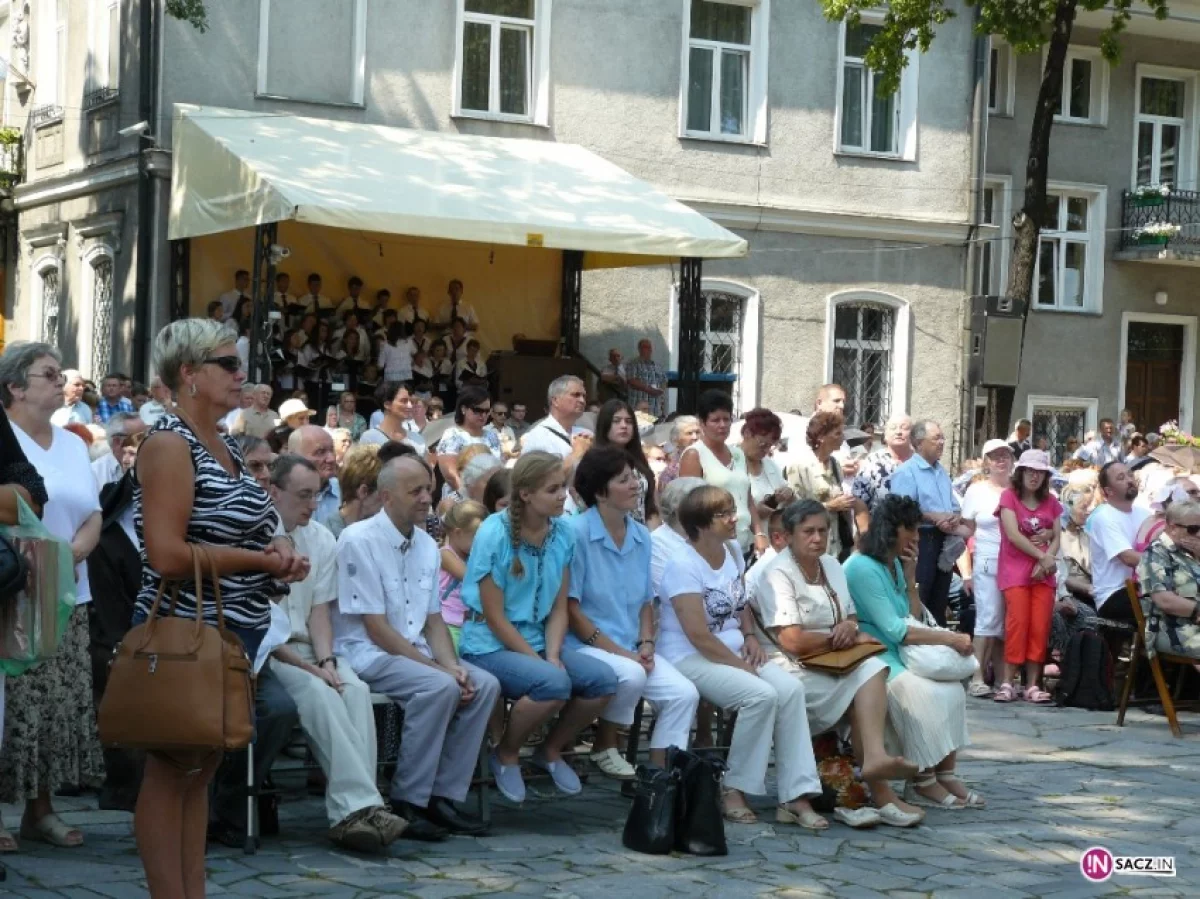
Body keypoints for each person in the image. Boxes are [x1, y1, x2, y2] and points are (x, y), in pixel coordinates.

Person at [128, 319, 308, 896]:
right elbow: (167, 554)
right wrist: (261, 563)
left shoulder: (225, 446)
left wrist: (278, 546)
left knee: (199, 771)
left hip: (234, 633)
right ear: (188, 374)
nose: (241, 374)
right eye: (227, 364)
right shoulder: (167, 444)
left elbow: (250, 526)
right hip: (187, 631)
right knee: (171, 771)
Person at [334, 456, 497, 837]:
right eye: (416, 491)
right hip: (366, 653)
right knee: (438, 686)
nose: (427, 498)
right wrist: (440, 672)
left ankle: (443, 795)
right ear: (387, 496)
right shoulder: (358, 540)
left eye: (429, 488)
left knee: (483, 684)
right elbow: (375, 628)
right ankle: (408, 798)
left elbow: (433, 620)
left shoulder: (426, 544)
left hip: (414, 650)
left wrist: (451, 664)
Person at [265, 455, 408, 851]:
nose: (313, 505)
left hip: (312, 646)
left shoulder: (322, 539)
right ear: (274, 492)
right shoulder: (257, 536)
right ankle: (360, 809)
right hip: (273, 653)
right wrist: (314, 672)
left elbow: (319, 612)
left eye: (317, 495)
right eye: (303, 495)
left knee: (354, 689)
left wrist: (327, 661)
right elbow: (264, 631)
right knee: (319, 694)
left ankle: (354, 812)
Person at [658, 485, 823, 827]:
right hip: (689, 656)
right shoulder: (682, 564)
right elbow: (698, 635)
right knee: (760, 696)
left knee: (791, 691)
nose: (736, 519)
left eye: (733, 510)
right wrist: (742, 667)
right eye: (725, 514)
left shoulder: (731, 549)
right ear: (702, 524)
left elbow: (741, 602)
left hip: (731, 647)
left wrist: (749, 635)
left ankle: (796, 794)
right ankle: (733, 788)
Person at [750, 499, 922, 827]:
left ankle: (873, 760)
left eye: (823, 531)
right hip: (787, 664)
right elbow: (792, 641)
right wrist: (839, 635)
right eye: (808, 532)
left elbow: (850, 615)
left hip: (830, 660)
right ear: (787, 536)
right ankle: (879, 791)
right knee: (857, 690)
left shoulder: (830, 564)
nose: (817, 538)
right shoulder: (776, 573)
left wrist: (849, 627)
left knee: (873, 668)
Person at [459, 452, 618, 803]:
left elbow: (559, 607)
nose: (563, 495)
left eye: (563, 486)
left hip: (538, 636)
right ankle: (506, 753)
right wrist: (540, 660)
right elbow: (495, 617)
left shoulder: (562, 532)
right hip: (488, 642)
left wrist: (554, 652)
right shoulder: (493, 532)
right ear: (526, 495)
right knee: (553, 682)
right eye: (553, 489)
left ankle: (550, 750)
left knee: (604, 680)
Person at [0, 343, 98, 855]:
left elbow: (93, 510)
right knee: (11, 706)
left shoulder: (73, 444)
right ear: (16, 386)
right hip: (14, 594)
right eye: (49, 375)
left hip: (69, 593)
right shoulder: (4, 437)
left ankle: (41, 810)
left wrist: (76, 552)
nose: (61, 383)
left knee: (55, 706)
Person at [844, 496, 983, 810]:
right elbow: (895, 629)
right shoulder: (862, 567)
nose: (917, 538)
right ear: (892, 530)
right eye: (912, 530)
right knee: (926, 693)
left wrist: (909, 580)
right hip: (874, 656)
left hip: (898, 651)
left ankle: (944, 773)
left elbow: (915, 616)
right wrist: (948, 640)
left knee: (953, 689)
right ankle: (922, 782)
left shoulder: (892, 563)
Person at [568, 447, 699, 774]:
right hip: (582, 645)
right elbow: (571, 610)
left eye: (634, 478)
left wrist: (646, 644)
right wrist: (623, 653)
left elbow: (645, 601)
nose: (635, 485)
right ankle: (604, 745)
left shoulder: (641, 535)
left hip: (630, 647)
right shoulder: (576, 533)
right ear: (600, 491)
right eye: (624, 480)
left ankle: (659, 777)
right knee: (631, 673)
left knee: (683, 693)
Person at [993, 450, 1062, 704]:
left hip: (1043, 575)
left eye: (1040, 472)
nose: (1034, 476)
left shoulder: (1052, 501)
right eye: (1030, 471)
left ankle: (1032, 685)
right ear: (1020, 472)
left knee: (1039, 628)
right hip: (1016, 572)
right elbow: (1012, 534)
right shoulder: (1008, 497)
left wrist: (1047, 561)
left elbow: (1057, 536)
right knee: (1017, 625)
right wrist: (1041, 556)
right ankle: (1007, 683)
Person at [889, 419, 969, 626]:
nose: (942, 442)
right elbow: (900, 510)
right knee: (919, 596)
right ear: (918, 442)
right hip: (921, 541)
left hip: (942, 540)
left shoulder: (940, 472)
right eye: (936, 438)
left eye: (942, 438)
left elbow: (953, 505)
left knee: (938, 600)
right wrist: (933, 517)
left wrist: (953, 517)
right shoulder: (906, 471)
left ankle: (936, 646)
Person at [678, 390, 765, 558]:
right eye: (715, 420)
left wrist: (759, 533)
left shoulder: (738, 454)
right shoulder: (694, 455)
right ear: (702, 423)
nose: (722, 425)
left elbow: (747, 499)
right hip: (713, 547)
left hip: (744, 543)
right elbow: (688, 505)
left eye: (726, 419)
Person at [957, 439, 1013, 698]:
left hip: (1016, 562)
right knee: (987, 618)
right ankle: (977, 677)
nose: (1001, 460)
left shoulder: (1018, 489)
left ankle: (1003, 680)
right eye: (994, 456)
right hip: (988, 560)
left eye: (1005, 455)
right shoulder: (976, 490)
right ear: (986, 462)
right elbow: (967, 528)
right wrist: (949, 528)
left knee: (1006, 622)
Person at [1088, 461, 1152, 623]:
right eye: (1121, 478)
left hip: (1146, 587)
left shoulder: (1145, 514)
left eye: (1130, 474)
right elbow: (1128, 558)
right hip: (1114, 595)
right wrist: (1166, 563)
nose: (1129, 480)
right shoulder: (1102, 516)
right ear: (1108, 491)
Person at [1137, 500, 1200, 660]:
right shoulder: (1156, 553)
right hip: (1172, 628)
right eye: (1193, 529)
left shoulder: (1192, 551)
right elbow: (1165, 601)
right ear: (1172, 528)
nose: (1199, 534)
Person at [789, 411, 854, 561]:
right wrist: (829, 506)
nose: (842, 438)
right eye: (837, 434)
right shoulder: (799, 466)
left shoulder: (835, 464)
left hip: (835, 542)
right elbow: (794, 509)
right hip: (811, 543)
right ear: (822, 437)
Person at [1052, 475, 1101, 656]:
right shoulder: (1059, 535)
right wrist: (1087, 587)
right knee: (1088, 615)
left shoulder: (1087, 534)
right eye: (1084, 507)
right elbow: (1061, 575)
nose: (1089, 511)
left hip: (1092, 591)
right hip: (1070, 592)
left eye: (1091, 506)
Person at [593, 399, 659, 527]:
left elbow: (651, 507)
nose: (624, 426)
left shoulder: (639, 461)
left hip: (643, 536)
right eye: (616, 421)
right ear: (605, 424)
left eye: (629, 421)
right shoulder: (594, 462)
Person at [438, 501, 488, 651]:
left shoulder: (471, 555)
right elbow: (471, 579)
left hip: (469, 623)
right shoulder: (445, 555)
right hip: (449, 622)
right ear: (458, 533)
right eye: (478, 538)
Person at [436, 386, 501, 496]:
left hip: (490, 496)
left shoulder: (492, 436)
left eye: (487, 411)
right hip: (460, 496)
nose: (483, 415)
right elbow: (450, 474)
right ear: (463, 409)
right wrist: (468, 496)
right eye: (477, 410)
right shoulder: (452, 435)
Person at [520, 376, 591, 475]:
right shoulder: (537, 437)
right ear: (555, 400)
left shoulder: (586, 434)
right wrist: (576, 454)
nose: (582, 401)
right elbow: (538, 481)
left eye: (584, 396)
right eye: (576, 395)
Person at [740, 408, 793, 524]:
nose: (766, 450)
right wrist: (753, 514)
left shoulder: (769, 464)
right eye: (763, 444)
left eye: (771, 445)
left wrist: (787, 493)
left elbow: (786, 490)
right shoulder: (729, 462)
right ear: (747, 433)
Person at [321, 443, 382, 538]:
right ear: (363, 492)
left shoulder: (384, 532)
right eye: (385, 493)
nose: (390, 500)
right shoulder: (327, 537)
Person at [288, 425, 340, 524]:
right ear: (293, 456)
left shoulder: (345, 491)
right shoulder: (280, 497)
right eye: (320, 452)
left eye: (332, 450)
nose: (331, 459)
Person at [360, 382, 427, 456]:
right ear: (387, 404)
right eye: (404, 401)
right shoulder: (370, 438)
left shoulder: (418, 439)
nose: (410, 406)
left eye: (410, 401)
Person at [92, 412, 147, 491]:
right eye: (139, 437)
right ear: (117, 442)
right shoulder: (95, 473)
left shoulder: (152, 466)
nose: (147, 441)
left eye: (147, 435)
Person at [656, 415, 701, 495]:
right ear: (676, 438)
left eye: (697, 432)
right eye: (689, 433)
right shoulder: (671, 469)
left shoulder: (708, 456)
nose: (695, 437)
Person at [625, 338, 667, 419]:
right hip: (638, 410)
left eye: (649, 347)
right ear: (639, 349)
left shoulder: (657, 365)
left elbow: (664, 381)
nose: (649, 349)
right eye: (645, 347)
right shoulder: (633, 363)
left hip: (655, 410)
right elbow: (631, 380)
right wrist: (649, 389)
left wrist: (661, 390)